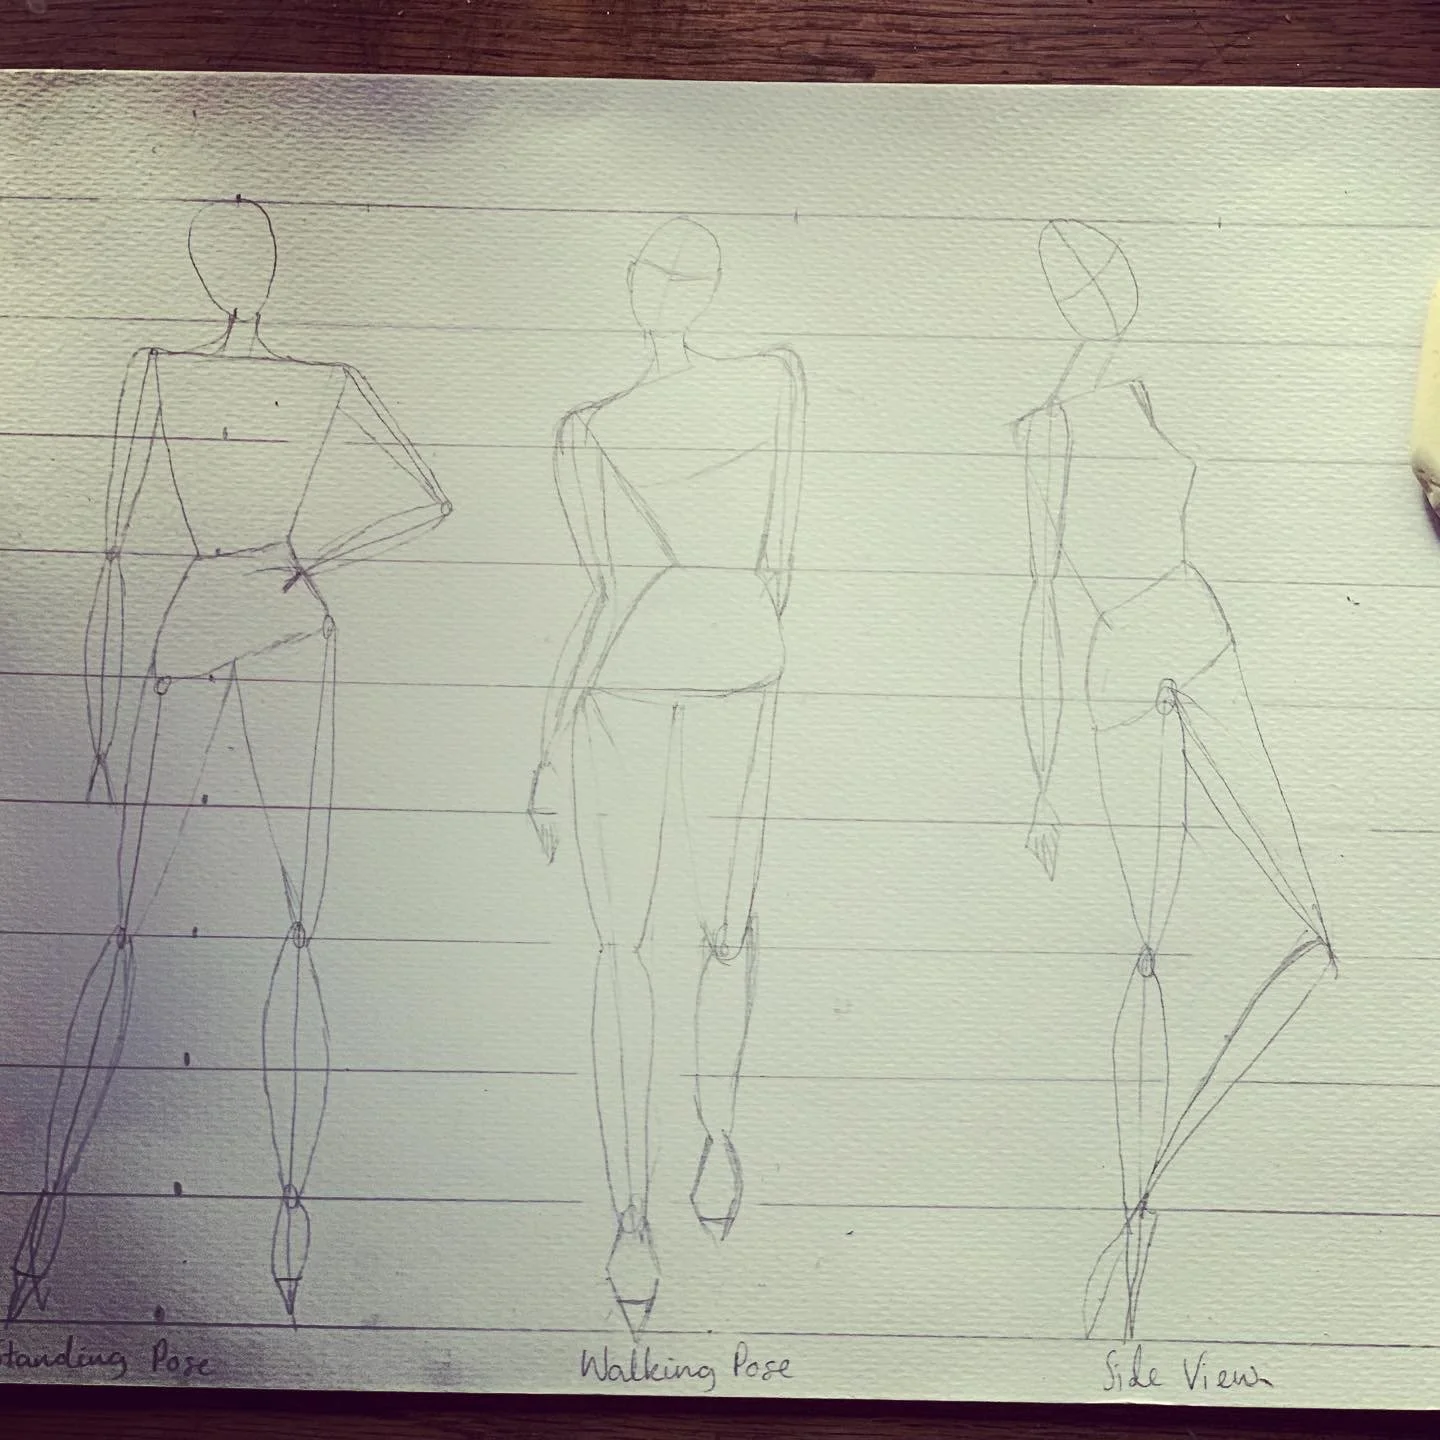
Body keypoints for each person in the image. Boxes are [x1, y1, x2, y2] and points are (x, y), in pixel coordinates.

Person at [8, 197, 451, 1324]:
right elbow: (423, 498)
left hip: (200, 620)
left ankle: (46, 1222)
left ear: (211, 274)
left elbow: (115, 556)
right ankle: (282, 1224)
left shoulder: (160, 375)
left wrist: (101, 731)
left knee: (133, 932)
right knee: (292, 932)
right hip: (288, 622)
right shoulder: (325, 382)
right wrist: (308, 555)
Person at [1017, 219, 1336, 1341]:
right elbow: (1040, 602)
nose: (1101, 289)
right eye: (1080, 280)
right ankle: (1134, 1229)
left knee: (1310, 932)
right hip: (1124, 659)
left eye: (1104, 272)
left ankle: (1144, 1202)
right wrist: (1045, 776)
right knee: (1147, 955)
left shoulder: (1146, 389)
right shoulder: (1045, 427)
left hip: (1195, 630)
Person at [528, 217, 805, 1336]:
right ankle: (647, 1204)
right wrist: (551, 740)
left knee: (694, 933)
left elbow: (633, 585)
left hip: (700, 668)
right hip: (678, 674)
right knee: (646, 941)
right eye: (653, 272)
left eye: (673, 273)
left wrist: (547, 744)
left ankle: (689, 1167)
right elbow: (764, 568)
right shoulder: (595, 426)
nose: (662, 290)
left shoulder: (764, 385)